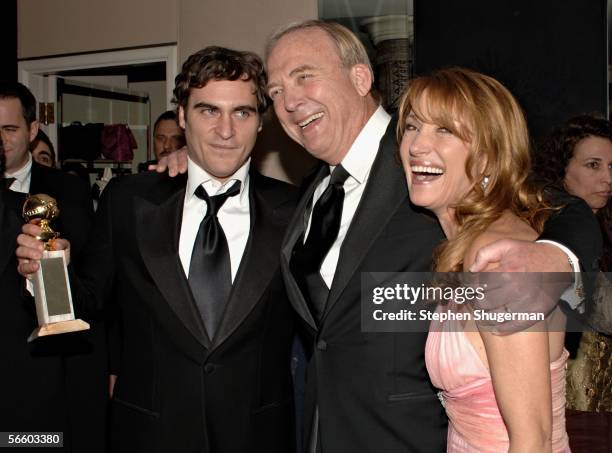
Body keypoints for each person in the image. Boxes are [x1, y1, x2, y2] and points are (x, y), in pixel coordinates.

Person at [155, 20, 600, 452]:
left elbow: (566, 208)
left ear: (361, 76)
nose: (289, 102)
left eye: (304, 77)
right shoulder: (305, 195)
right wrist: (197, 167)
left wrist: (556, 258)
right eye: (275, 92)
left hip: (420, 437)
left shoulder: (429, 163)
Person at [18, 46, 297, 453]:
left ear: (260, 123)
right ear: (182, 117)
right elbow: (89, 302)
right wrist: (46, 272)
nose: (226, 131)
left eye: (242, 112)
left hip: (257, 436)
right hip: (149, 435)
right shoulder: (129, 201)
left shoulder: (295, 211)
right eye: (208, 111)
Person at [397, 66, 570, 452]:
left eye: (444, 130)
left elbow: (533, 440)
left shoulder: (497, 261)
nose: (417, 146)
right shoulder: (467, 245)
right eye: (412, 126)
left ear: (490, 156)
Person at [0, 81, 106, 452]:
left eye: (8, 129)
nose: (0, 140)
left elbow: (89, 290)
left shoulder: (67, 191)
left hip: (42, 375)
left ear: (31, 131)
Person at [534, 114, 612, 452]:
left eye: (611, 166)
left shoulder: (603, 223)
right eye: (593, 165)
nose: (607, 178)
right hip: (574, 406)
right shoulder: (546, 235)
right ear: (560, 170)